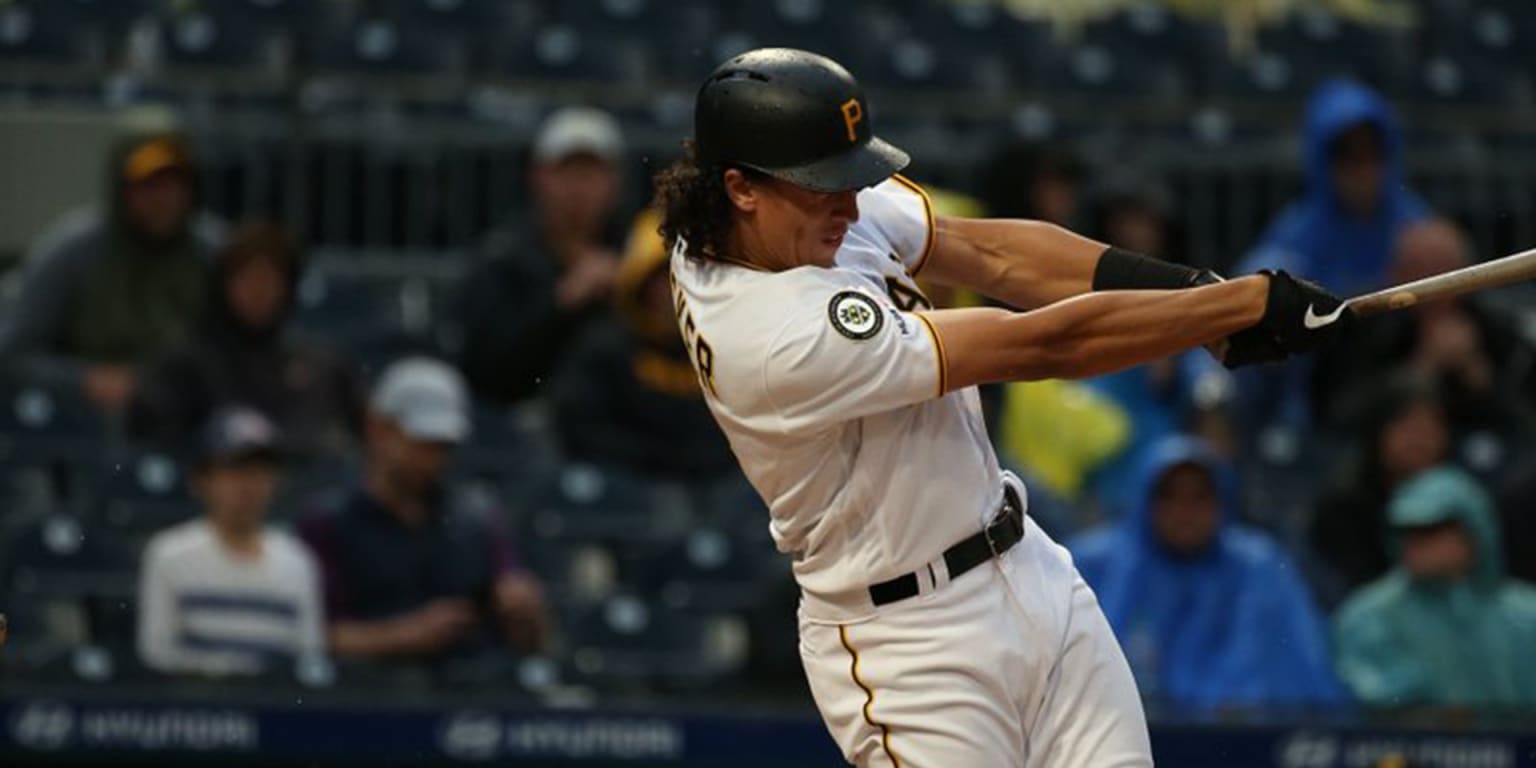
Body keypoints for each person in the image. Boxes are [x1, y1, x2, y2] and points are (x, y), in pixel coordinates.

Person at [656, 48, 1348, 767]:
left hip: (1028, 568)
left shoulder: (769, 216)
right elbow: (1039, 345)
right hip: (911, 646)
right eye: (826, 184)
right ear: (739, 188)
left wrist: (1196, 294)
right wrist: (1235, 306)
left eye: (850, 176)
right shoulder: (772, 335)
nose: (853, 204)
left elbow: (989, 252)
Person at [298, 358, 548, 664]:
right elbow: (312, 637)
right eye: (421, 443)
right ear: (378, 429)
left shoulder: (479, 516)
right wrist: (405, 636)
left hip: (471, 693)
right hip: (365, 697)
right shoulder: (328, 521)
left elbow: (530, 641)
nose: (433, 460)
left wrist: (525, 612)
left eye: (443, 447)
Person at [1069, 436, 1343, 709]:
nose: (1185, 512)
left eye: (1199, 497)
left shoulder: (1258, 568)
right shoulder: (1095, 564)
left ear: (1221, 501)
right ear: (1146, 501)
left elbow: (1295, 678)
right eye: (1170, 496)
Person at [1236, 79, 1429, 431]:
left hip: (1400, 381)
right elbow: (1251, 295)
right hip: (1319, 390)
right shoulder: (1298, 232)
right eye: (1348, 156)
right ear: (1324, 160)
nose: (1362, 170)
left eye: (1372, 154)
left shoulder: (1413, 225)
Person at [0, 131, 224, 414]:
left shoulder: (213, 253)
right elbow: (14, 355)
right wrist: (84, 378)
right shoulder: (74, 252)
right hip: (83, 419)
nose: (163, 199)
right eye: (149, 186)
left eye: (175, 185)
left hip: (192, 416)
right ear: (123, 190)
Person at [129, 221, 364, 464]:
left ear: (288, 286)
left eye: (271, 278)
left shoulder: (325, 366)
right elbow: (159, 448)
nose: (259, 289)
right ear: (223, 284)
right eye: (247, 277)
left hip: (309, 495)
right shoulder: (182, 365)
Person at [456, 107, 629, 404]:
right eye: (567, 172)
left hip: (620, 427)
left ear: (613, 183)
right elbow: (485, 368)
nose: (578, 188)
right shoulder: (501, 258)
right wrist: (561, 303)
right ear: (537, 178)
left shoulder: (642, 254)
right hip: (517, 420)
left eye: (590, 173)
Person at [137, 407, 325, 676]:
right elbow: (157, 655)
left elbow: (308, 659)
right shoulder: (169, 554)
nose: (250, 485)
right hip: (198, 713)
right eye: (236, 470)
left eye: (261, 471)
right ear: (202, 480)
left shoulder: (298, 561)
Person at [550, 208, 736, 480]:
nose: (678, 289)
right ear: (642, 283)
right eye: (666, 276)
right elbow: (581, 428)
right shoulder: (604, 350)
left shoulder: (731, 355)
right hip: (625, 498)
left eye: (693, 274)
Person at [1334, 466, 1536, 708]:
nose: (1415, 542)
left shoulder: (1526, 616)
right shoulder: (1368, 615)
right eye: (1406, 531)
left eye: (1432, 530)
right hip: (1402, 746)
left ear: (1474, 532)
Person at [1308, 375, 1453, 599]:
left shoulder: (1461, 505)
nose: (1418, 439)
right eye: (1406, 425)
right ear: (1378, 432)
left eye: (1429, 426)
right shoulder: (1342, 508)